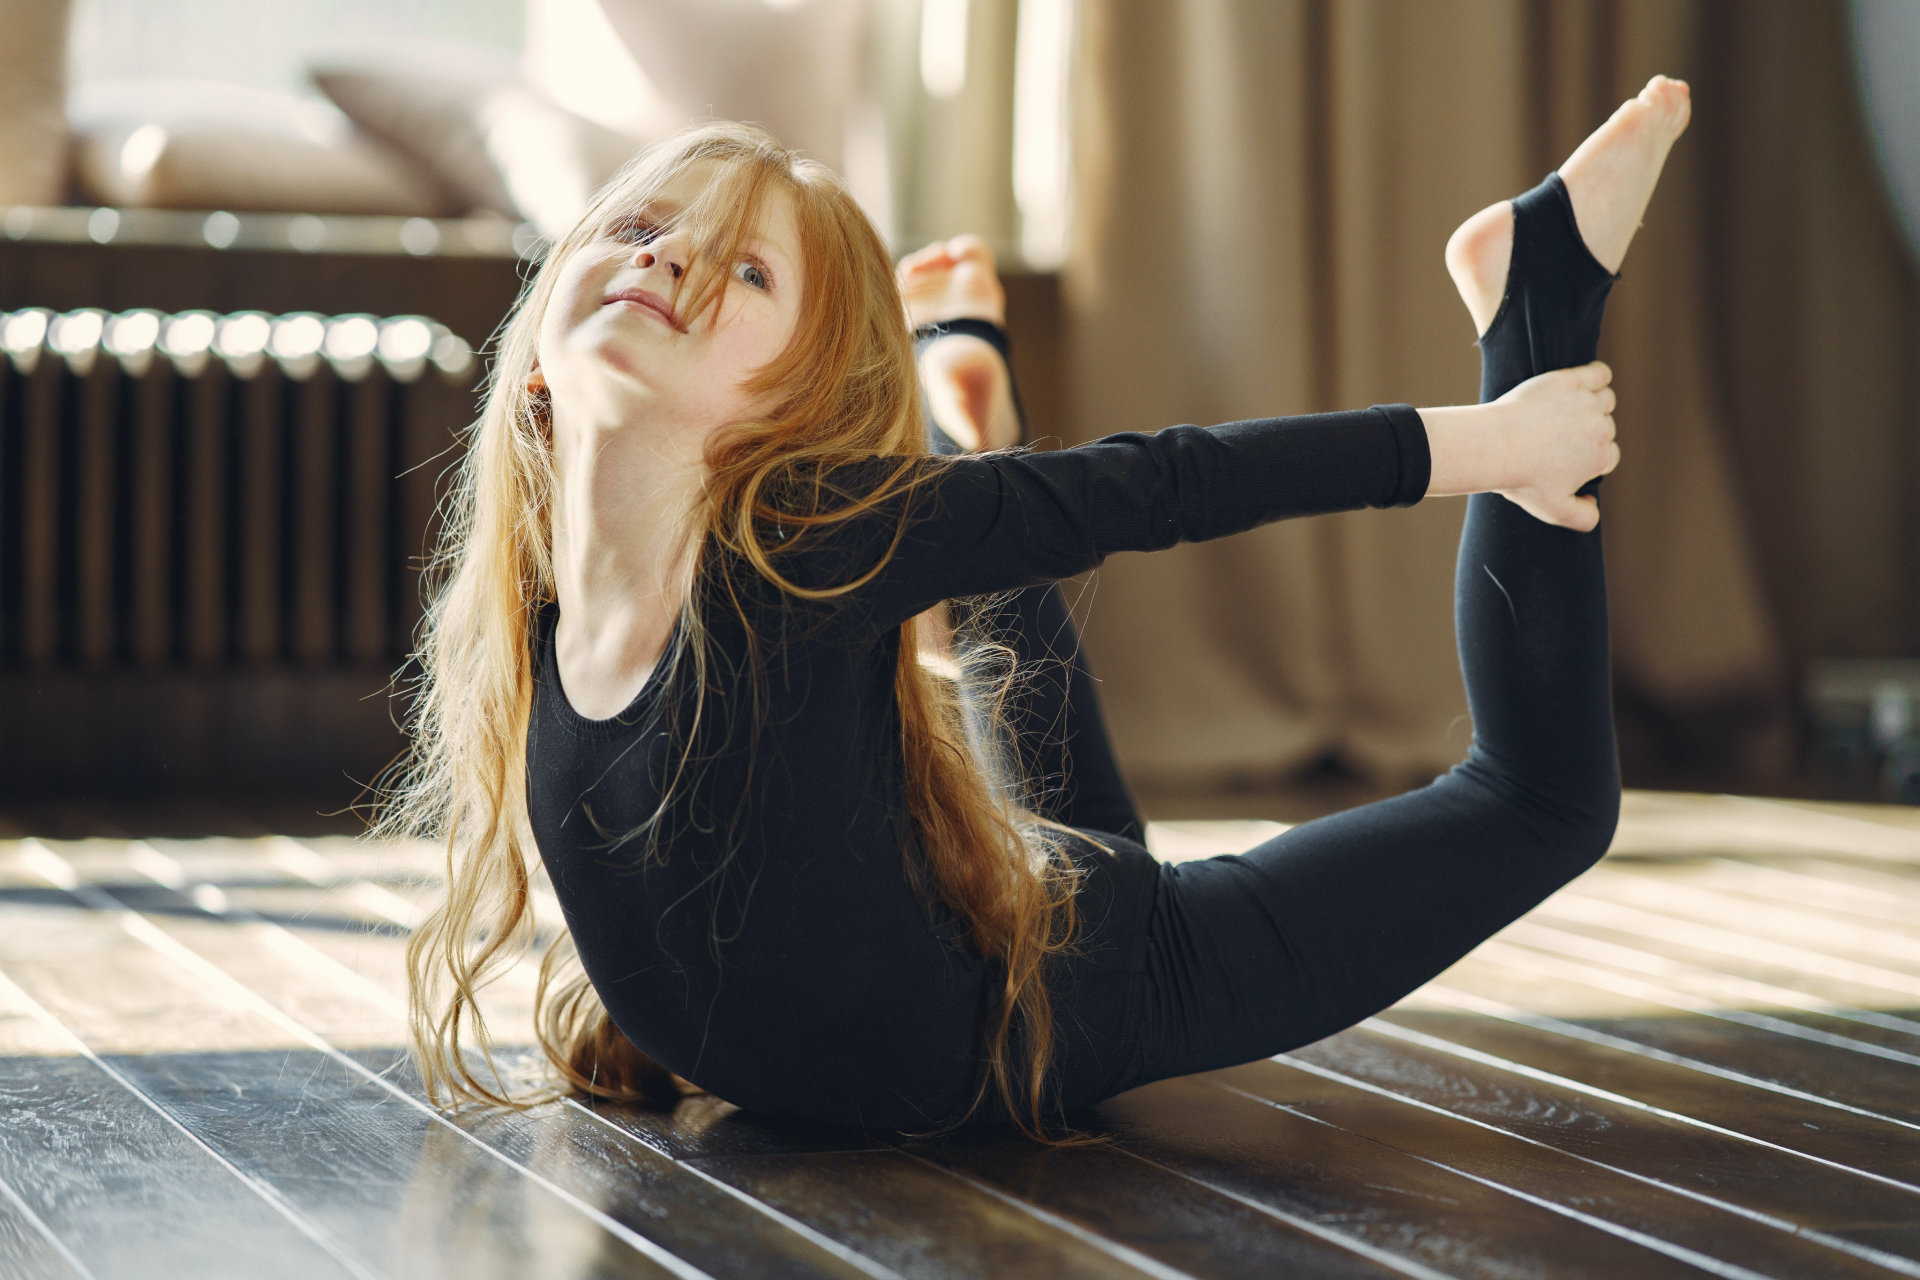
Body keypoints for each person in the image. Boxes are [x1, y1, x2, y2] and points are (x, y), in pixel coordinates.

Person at [387, 76, 1691, 1138]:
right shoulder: (531, 615)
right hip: (1006, 930)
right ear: (540, 361)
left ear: (795, 419)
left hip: (1100, 991)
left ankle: (1538, 300)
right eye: (632, 227)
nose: (666, 252)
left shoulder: (808, 547)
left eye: (746, 273)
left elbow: (1158, 487)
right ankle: (977, 434)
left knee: (1543, 805)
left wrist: (1495, 443)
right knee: (1007, 597)